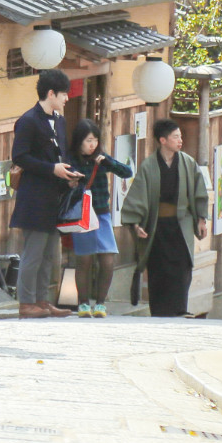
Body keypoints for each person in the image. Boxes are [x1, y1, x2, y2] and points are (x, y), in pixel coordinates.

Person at [118, 118, 212, 318]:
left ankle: (180, 309)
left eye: (180, 136)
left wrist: (201, 219)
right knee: (158, 269)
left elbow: (199, 192)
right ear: (162, 140)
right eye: (175, 137)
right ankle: (159, 311)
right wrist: (135, 224)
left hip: (182, 223)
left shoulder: (188, 163)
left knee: (182, 266)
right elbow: (137, 196)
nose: (180, 141)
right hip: (157, 225)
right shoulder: (149, 166)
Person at [8, 69, 77, 319]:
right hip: (34, 197)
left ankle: (42, 300)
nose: (67, 98)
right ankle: (26, 302)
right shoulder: (28, 120)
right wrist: (52, 169)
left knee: (49, 255)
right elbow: (19, 156)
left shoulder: (59, 120)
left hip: (54, 197)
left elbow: (63, 155)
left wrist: (68, 174)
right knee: (33, 253)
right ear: (51, 94)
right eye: (64, 94)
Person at [64, 118, 133, 318]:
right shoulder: (70, 160)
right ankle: (83, 304)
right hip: (81, 215)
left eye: (94, 140)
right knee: (83, 260)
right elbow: (61, 185)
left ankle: (101, 303)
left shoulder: (102, 159)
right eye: (87, 140)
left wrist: (108, 162)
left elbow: (127, 172)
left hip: (101, 214)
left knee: (108, 257)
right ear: (79, 142)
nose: (92, 144)